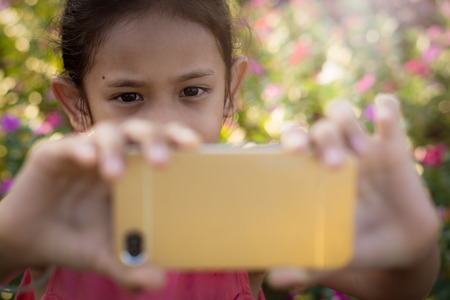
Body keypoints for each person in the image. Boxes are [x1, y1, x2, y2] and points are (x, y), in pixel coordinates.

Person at [0, 0, 441, 299]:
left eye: (192, 91)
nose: (165, 127)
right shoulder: (55, 213)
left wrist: (414, 247)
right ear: (78, 106)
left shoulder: (247, 210)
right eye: (128, 97)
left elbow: (394, 287)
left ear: (230, 93)